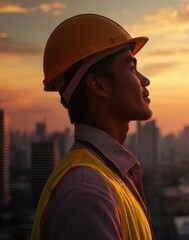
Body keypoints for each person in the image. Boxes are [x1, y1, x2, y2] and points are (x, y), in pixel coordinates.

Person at [31, 14, 153, 239]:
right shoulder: (87, 192)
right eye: (132, 68)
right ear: (98, 85)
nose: (145, 81)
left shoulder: (106, 176)